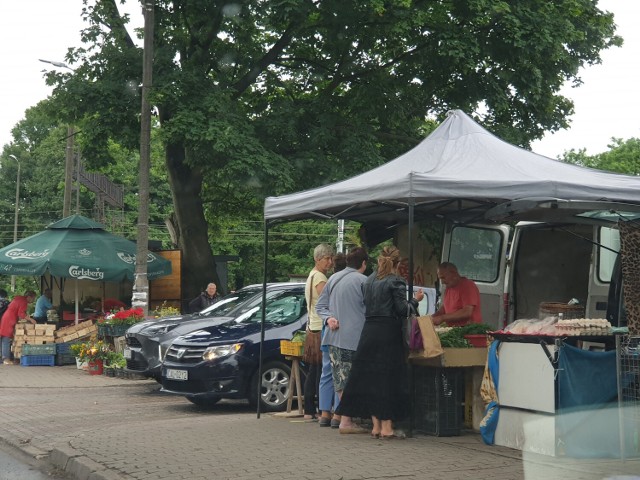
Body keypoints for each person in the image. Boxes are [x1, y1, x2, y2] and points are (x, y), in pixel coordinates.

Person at [336, 246, 423, 439]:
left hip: (368, 332)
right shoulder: (396, 282)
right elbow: (402, 310)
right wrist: (415, 301)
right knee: (388, 379)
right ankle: (387, 428)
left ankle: (376, 426)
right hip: (388, 333)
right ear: (398, 264)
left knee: (371, 379)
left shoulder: (368, 281)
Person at [316, 247, 369, 434]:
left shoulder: (333, 278)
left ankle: (341, 418)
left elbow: (320, 306)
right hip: (355, 338)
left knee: (339, 379)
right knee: (353, 378)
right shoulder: (364, 281)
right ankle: (346, 420)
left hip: (333, 337)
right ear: (364, 264)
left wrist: (328, 318)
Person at [316, 252, 347, 428]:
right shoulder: (348, 281)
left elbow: (320, 306)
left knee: (326, 372)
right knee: (339, 374)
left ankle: (324, 414)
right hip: (341, 335)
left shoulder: (330, 282)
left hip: (327, 331)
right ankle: (337, 414)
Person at [303, 243, 333, 420]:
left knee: (314, 369)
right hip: (319, 326)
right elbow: (325, 302)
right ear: (317, 259)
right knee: (320, 370)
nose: (329, 262)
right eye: (326, 259)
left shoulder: (312, 275)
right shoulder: (320, 278)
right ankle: (319, 408)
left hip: (311, 325)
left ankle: (309, 409)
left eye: (330, 258)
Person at [431, 262, 482, 326]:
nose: (442, 282)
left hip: (468, 330)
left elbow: (467, 312)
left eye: (443, 278)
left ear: (454, 273)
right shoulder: (448, 288)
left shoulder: (467, 285)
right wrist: (432, 317)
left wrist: (442, 318)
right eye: (440, 278)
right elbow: (445, 308)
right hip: (453, 328)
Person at [0, 290, 37, 365]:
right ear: (29, 297)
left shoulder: (19, 299)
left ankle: (4, 357)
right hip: (9, 319)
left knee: (4, 337)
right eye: (33, 298)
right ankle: (5, 359)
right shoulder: (24, 302)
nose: (33, 300)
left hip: (7, 317)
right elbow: (21, 313)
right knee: (6, 338)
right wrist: (30, 319)